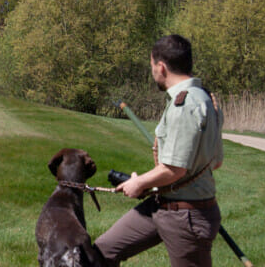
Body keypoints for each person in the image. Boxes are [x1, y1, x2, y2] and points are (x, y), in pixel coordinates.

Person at [94, 35, 224, 267]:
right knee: (103, 251)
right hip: (162, 204)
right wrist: (147, 183)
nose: (152, 71)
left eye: (152, 66)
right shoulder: (207, 99)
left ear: (161, 67)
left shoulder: (184, 106)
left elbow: (174, 170)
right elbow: (216, 162)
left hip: (187, 217)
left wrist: (138, 183)